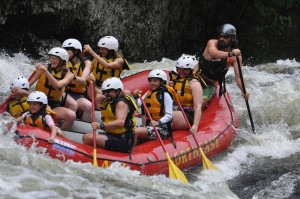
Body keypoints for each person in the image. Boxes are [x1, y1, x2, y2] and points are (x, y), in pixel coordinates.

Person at [82, 77, 137, 154]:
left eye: (108, 92)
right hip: (113, 135)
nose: (105, 94)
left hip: (124, 140)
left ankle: (86, 157)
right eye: (104, 92)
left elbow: (121, 122)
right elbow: (93, 96)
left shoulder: (121, 103)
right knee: (85, 136)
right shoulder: (108, 99)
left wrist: (101, 126)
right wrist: (92, 84)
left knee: (89, 139)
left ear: (118, 91)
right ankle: (94, 154)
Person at [194, 23, 249, 99]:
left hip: (211, 83)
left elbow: (239, 78)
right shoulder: (212, 43)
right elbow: (214, 54)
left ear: (232, 38)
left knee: (202, 101)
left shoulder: (236, 57)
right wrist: (230, 53)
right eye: (220, 36)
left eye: (225, 37)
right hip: (196, 76)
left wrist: (244, 91)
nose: (222, 39)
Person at [28, 47, 76, 130]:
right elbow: (28, 84)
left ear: (63, 61)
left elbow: (57, 86)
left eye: (55, 59)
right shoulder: (43, 68)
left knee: (71, 115)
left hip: (53, 104)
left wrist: (46, 72)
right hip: (37, 102)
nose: (51, 60)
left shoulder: (69, 75)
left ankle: (60, 137)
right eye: (50, 58)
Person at [83, 36, 130, 106]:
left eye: (104, 49)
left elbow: (107, 65)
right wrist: (87, 78)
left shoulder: (119, 60)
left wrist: (92, 52)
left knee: (127, 93)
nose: (101, 51)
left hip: (113, 87)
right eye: (101, 49)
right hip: (97, 86)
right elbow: (88, 71)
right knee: (98, 92)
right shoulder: (97, 58)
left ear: (111, 50)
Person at [133, 69, 174, 144]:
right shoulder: (148, 93)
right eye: (150, 81)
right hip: (150, 126)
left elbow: (169, 116)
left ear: (162, 82)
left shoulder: (166, 95)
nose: (152, 83)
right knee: (129, 130)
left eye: (155, 81)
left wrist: (158, 122)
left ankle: (131, 153)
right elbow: (135, 105)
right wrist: (135, 97)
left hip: (163, 129)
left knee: (134, 132)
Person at [169, 55, 203, 134]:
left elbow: (198, 107)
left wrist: (195, 126)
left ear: (190, 70)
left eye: (185, 70)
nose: (181, 71)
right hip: (174, 109)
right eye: (180, 69)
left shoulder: (194, 83)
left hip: (188, 114)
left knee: (168, 115)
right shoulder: (173, 80)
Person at [62, 38, 92, 122]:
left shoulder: (86, 63)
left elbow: (83, 80)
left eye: (68, 50)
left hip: (79, 95)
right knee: (73, 104)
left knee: (89, 106)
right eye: (64, 50)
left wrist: (69, 77)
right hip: (64, 92)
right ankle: (68, 122)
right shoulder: (62, 61)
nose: (65, 52)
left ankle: (83, 127)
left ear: (76, 51)